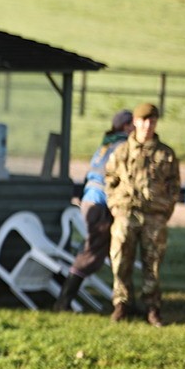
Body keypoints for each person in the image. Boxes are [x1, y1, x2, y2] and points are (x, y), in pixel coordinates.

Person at [105, 103, 181, 326]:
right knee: (120, 261)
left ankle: (152, 307)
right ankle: (121, 304)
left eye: (152, 121)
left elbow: (174, 186)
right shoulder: (121, 151)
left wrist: (164, 209)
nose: (148, 126)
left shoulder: (165, 154)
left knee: (153, 263)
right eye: (143, 120)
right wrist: (116, 207)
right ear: (135, 122)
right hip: (126, 214)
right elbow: (109, 180)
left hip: (154, 217)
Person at [53, 110, 134, 312]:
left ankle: (125, 301)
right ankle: (63, 302)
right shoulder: (123, 146)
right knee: (91, 253)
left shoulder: (107, 142)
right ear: (126, 126)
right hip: (101, 203)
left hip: (90, 201)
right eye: (135, 124)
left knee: (98, 249)